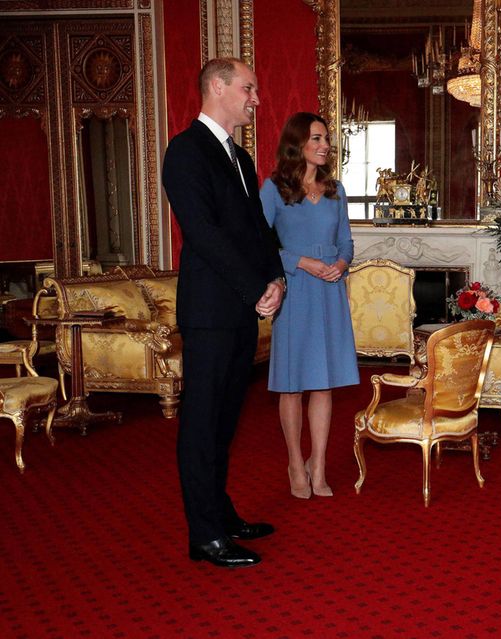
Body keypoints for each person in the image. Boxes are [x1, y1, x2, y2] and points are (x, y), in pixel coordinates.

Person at [162, 57, 286, 568]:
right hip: (211, 311)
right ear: (217, 87)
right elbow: (205, 235)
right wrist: (254, 286)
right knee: (201, 424)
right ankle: (205, 536)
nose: (256, 98)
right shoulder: (185, 152)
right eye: (248, 88)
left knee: (225, 424)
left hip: (239, 310)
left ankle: (221, 512)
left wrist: (276, 278)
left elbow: (256, 227)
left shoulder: (239, 155)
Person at [260, 112, 359, 499]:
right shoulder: (274, 189)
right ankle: (294, 463)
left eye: (327, 139)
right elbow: (262, 245)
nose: (324, 145)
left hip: (330, 292)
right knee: (292, 383)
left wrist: (338, 265)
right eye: (317, 138)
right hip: (296, 290)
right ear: (297, 142)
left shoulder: (335, 190)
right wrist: (302, 262)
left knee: (323, 382)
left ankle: (317, 465)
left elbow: (347, 242)